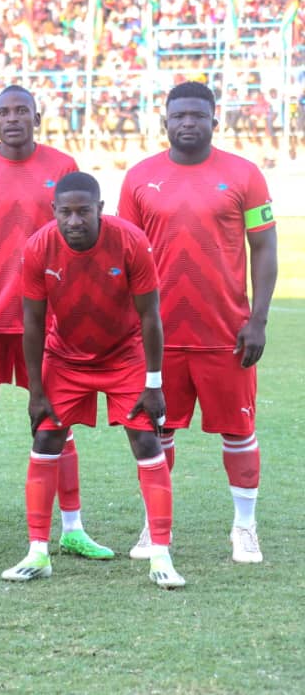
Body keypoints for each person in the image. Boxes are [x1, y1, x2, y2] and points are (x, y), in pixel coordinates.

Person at [0, 85, 111, 559]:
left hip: (48, 315)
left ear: (38, 116)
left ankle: (72, 527)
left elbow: (80, 240)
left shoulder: (62, 168)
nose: (12, 118)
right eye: (3, 112)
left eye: (21, 111)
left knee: (57, 417)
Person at [118, 81, 277, 564]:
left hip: (226, 333)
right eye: (179, 115)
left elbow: (265, 248)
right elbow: (123, 253)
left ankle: (245, 529)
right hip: (158, 335)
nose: (188, 122)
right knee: (156, 431)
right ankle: (154, 525)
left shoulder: (244, 174)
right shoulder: (140, 177)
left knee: (239, 431)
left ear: (215, 119)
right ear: (164, 120)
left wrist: (258, 320)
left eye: (197, 115)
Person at [1, 172, 184, 589]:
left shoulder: (130, 241)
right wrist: (36, 390)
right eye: (66, 212)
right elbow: (31, 322)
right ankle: (37, 552)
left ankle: (161, 555)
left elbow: (150, 315)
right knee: (46, 437)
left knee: (146, 440)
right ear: (54, 212)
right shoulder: (39, 247)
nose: (75, 220)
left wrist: (153, 383)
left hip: (124, 355)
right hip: (64, 357)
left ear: (100, 209)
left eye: (84, 211)